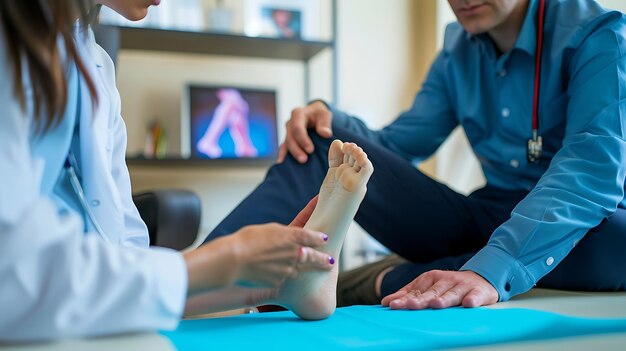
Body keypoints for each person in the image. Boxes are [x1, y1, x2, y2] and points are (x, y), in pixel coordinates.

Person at [206, 0, 626, 311]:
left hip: (589, 223)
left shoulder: (598, 36)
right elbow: (396, 146)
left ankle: (386, 279)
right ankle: (198, 283)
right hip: (487, 216)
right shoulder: (457, 51)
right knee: (325, 139)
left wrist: (491, 268)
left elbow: (590, 173)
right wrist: (334, 121)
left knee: (614, 244)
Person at [0, 0, 373, 341]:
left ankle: (277, 285)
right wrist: (229, 259)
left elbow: (123, 236)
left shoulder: (95, 63)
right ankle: (273, 283)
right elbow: (14, 273)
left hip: (81, 288)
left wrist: (239, 264)